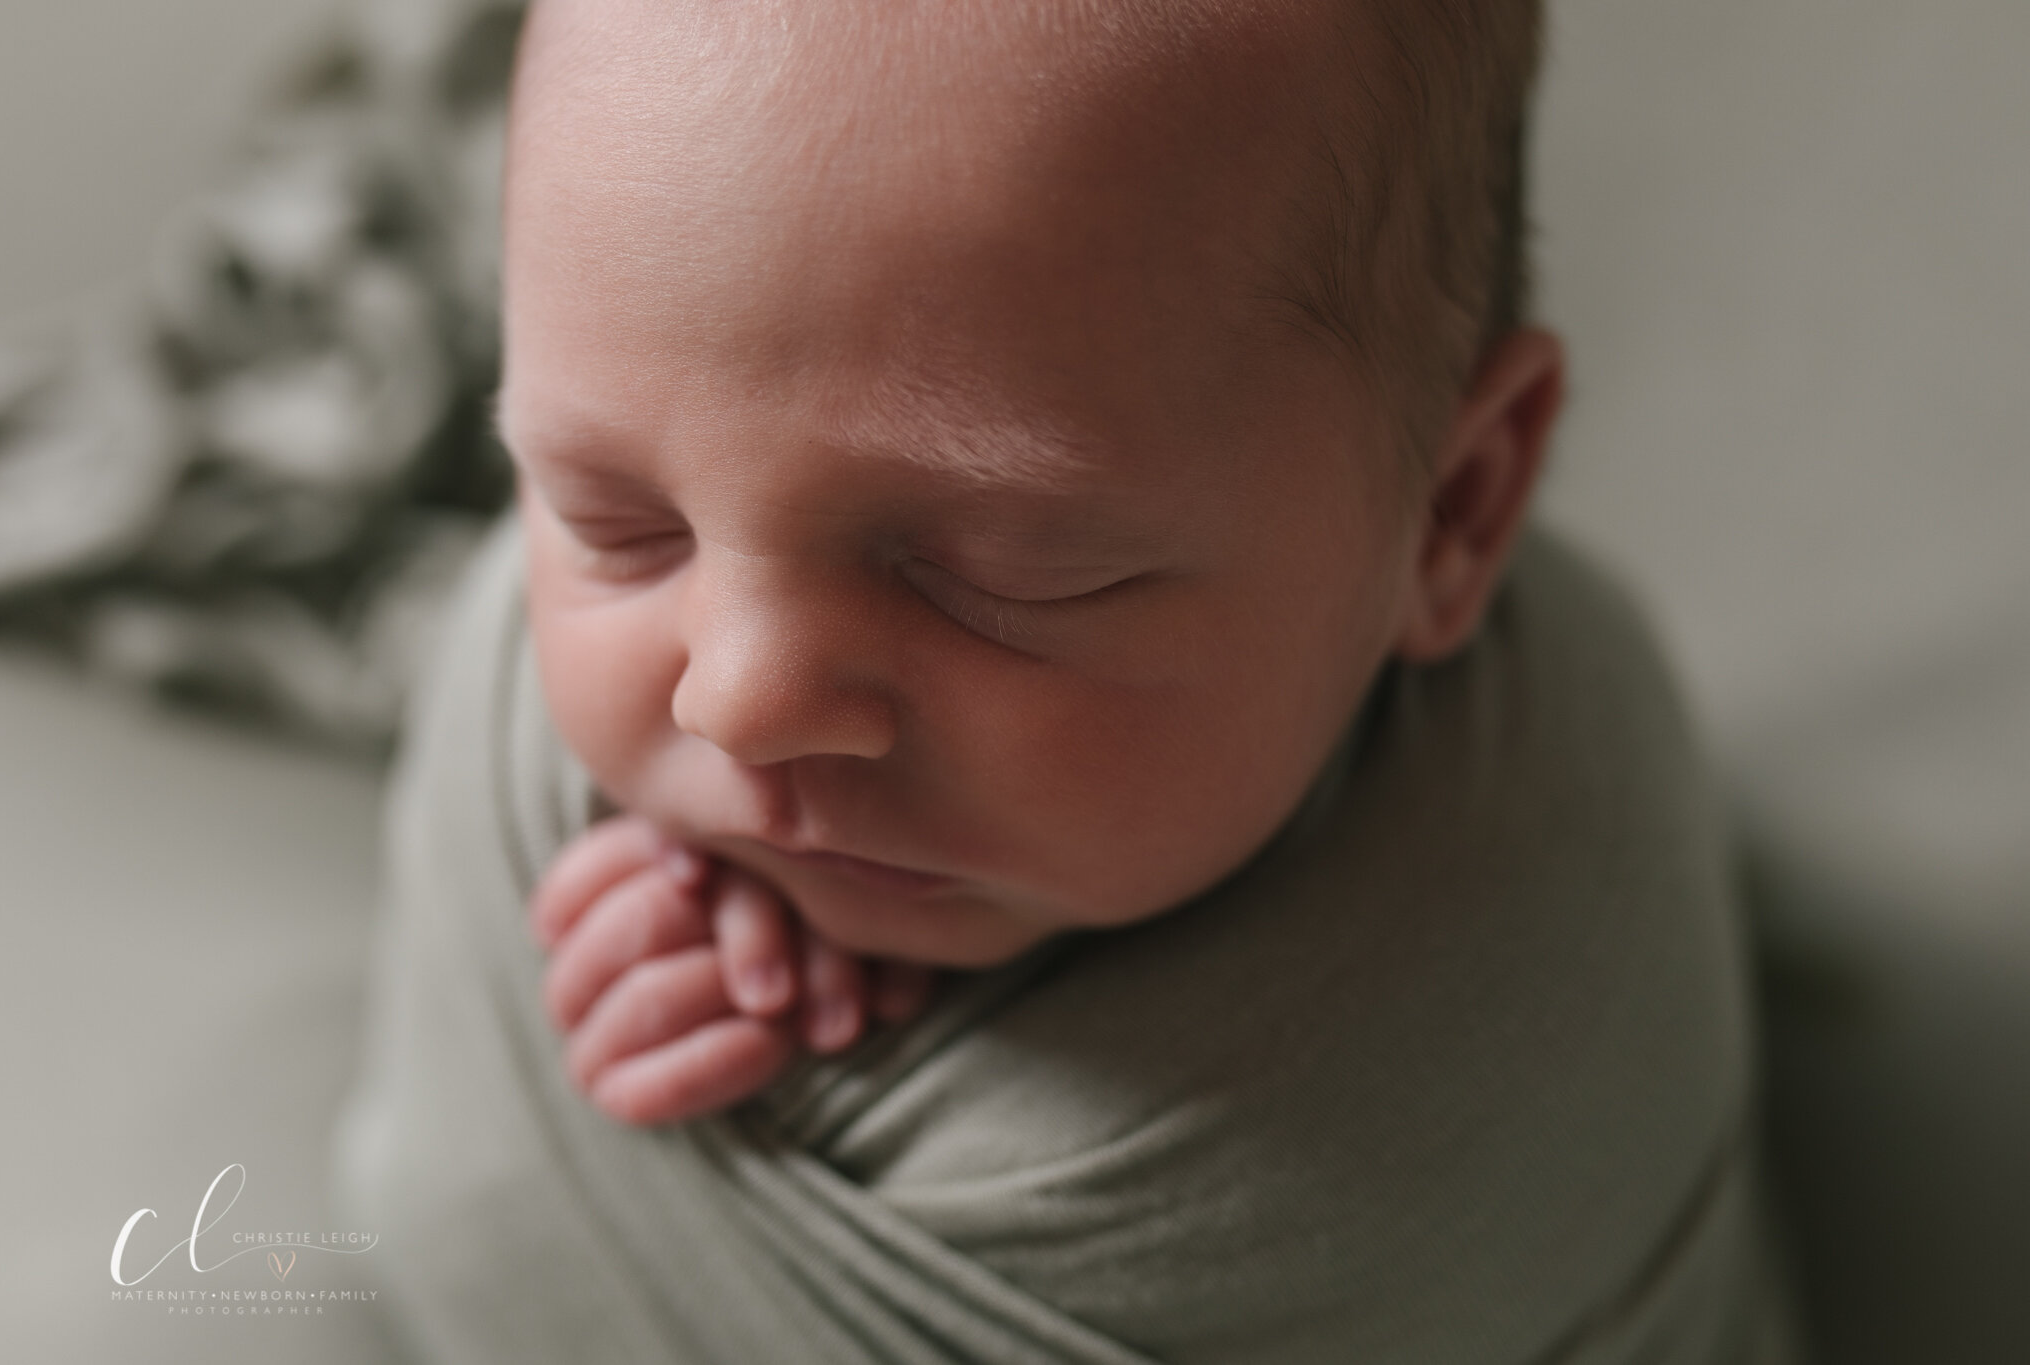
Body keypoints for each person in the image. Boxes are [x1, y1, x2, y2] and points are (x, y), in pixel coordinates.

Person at [331, 1, 1803, 1359]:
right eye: (616, 520)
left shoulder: (1522, 982)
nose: (743, 700)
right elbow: (447, 1198)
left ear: (1454, 510)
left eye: (1001, 576)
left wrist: (799, 1084)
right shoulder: (534, 731)